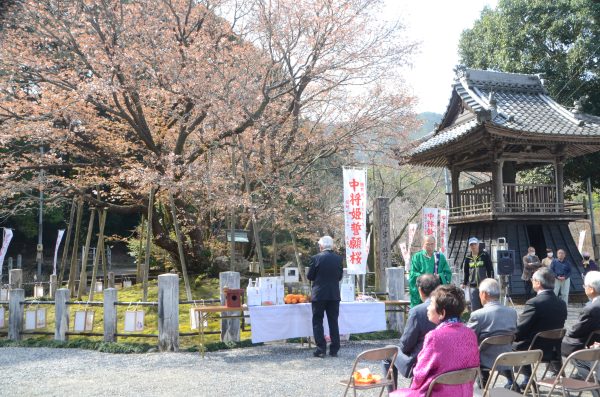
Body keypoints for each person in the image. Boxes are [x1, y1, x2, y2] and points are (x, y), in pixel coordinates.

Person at [390, 285, 480, 397]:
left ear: (442, 313)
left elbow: (419, 374)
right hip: (464, 392)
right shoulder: (470, 334)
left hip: (437, 393)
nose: (427, 308)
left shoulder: (434, 336)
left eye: (431, 304)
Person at [514, 267, 567, 388]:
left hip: (534, 350)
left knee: (511, 345)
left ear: (538, 283)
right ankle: (528, 380)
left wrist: (510, 336)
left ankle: (525, 379)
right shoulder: (562, 303)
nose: (531, 281)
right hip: (553, 350)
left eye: (532, 279)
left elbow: (520, 329)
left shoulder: (534, 302)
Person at [467, 278, 518, 387]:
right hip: (506, 356)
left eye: (479, 293)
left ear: (484, 294)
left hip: (485, 359)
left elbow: (468, 339)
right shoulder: (512, 312)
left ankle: (481, 388)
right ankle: (512, 382)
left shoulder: (478, 315)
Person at [392, 274, 440, 386]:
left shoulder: (417, 311)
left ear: (420, 290)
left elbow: (406, 344)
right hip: (441, 359)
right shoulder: (446, 309)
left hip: (420, 361)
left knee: (389, 351)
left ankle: (392, 392)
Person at [561, 270, 600, 390]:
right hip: (595, 341)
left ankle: (588, 380)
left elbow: (575, 331)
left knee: (556, 345)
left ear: (591, 289)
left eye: (585, 286)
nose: (584, 288)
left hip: (588, 345)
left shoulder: (591, 308)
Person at [306, 235, 343, 358]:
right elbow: (339, 277)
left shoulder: (315, 258)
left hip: (319, 294)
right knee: (333, 321)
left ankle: (321, 349)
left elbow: (310, 276)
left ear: (321, 246)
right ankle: (334, 349)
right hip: (334, 294)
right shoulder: (338, 259)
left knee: (317, 321)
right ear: (332, 246)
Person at [408, 235, 452, 307]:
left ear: (435, 244)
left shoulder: (440, 257)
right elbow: (413, 274)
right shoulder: (417, 257)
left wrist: (439, 276)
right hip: (422, 291)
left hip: (436, 292)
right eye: (428, 244)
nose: (430, 246)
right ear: (423, 244)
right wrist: (426, 279)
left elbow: (447, 273)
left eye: (432, 244)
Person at [461, 237, 494, 311]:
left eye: (475, 244)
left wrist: (491, 281)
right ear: (469, 246)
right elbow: (466, 272)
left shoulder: (484, 255)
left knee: (486, 307)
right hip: (473, 287)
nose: (473, 246)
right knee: (475, 308)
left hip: (484, 286)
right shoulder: (467, 258)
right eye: (471, 245)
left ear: (478, 245)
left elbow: (490, 269)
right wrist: (464, 282)